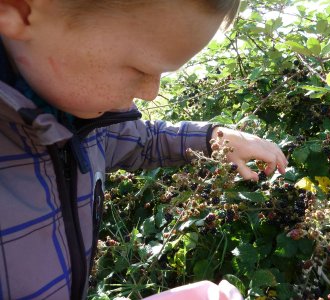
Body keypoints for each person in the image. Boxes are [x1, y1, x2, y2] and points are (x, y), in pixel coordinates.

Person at [0, 0, 288, 299]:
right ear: (19, 9)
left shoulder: (79, 119)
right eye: (139, 68)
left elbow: (143, 141)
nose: (151, 93)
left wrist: (215, 138)